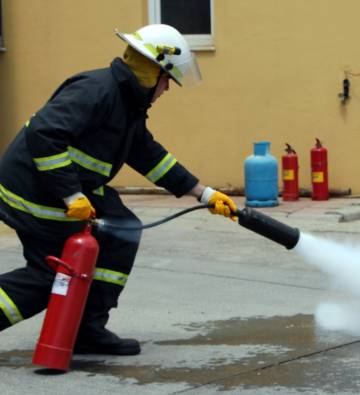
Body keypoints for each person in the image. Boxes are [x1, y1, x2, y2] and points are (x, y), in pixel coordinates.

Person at [0, 24, 237, 356]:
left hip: (65, 188)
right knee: (51, 275)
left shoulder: (127, 102)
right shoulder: (96, 90)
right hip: (34, 191)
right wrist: (71, 195)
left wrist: (204, 193)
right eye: (168, 79)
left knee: (122, 230)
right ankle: (80, 327)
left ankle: (88, 328)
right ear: (153, 70)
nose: (168, 88)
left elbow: (148, 155)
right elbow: (44, 135)